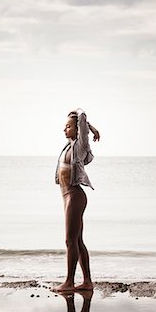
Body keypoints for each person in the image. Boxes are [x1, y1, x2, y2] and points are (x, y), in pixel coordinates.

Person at [52, 108, 100, 293]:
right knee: (77, 240)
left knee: (69, 240)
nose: (64, 130)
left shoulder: (80, 145)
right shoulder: (69, 145)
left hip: (75, 195)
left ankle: (69, 282)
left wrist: (89, 127)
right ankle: (87, 282)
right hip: (67, 197)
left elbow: (81, 116)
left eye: (68, 127)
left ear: (77, 129)